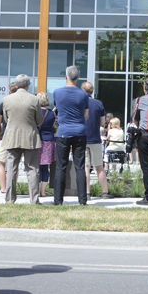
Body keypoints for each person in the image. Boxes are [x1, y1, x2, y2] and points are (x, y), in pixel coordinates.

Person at [0, 75, 45, 203]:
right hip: (30, 137)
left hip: (12, 137)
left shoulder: (6, 99)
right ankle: (34, 200)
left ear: (16, 84)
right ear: (28, 85)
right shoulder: (34, 99)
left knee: (12, 169)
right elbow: (39, 120)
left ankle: (9, 199)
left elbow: (7, 119)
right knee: (32, 169)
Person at [51, 65, 90, 206]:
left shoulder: (57, 92)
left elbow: (57, 110)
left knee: (61, 166)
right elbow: (86, 115)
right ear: (78, 78)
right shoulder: (83, 95)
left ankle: (58, 200)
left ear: (66, 77)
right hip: (79, 131)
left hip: (63, 132)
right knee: (80, 166)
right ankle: (82, 200)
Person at [131, 77, 148, 205]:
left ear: (144, 88)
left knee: (146, 166)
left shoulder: (140, 100)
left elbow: (135, 120)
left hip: (144, 135)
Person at [80, 82, 109, 199]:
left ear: (82, 90)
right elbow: (102, 123)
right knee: (99, 167)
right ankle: (105, 192)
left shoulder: (79, 104)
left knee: (86, 167)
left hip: (82, 138)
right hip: (95, 138)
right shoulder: (98, 103)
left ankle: (87, 193)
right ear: (92, 91)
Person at [37, 92, 57, 197]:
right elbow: (53, 126)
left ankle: (36, 189)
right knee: (45, 167)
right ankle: (43, 191)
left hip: (38, 140)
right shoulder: (52, 113)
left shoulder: (36, 112)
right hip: (49, 141)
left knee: (37, 166)